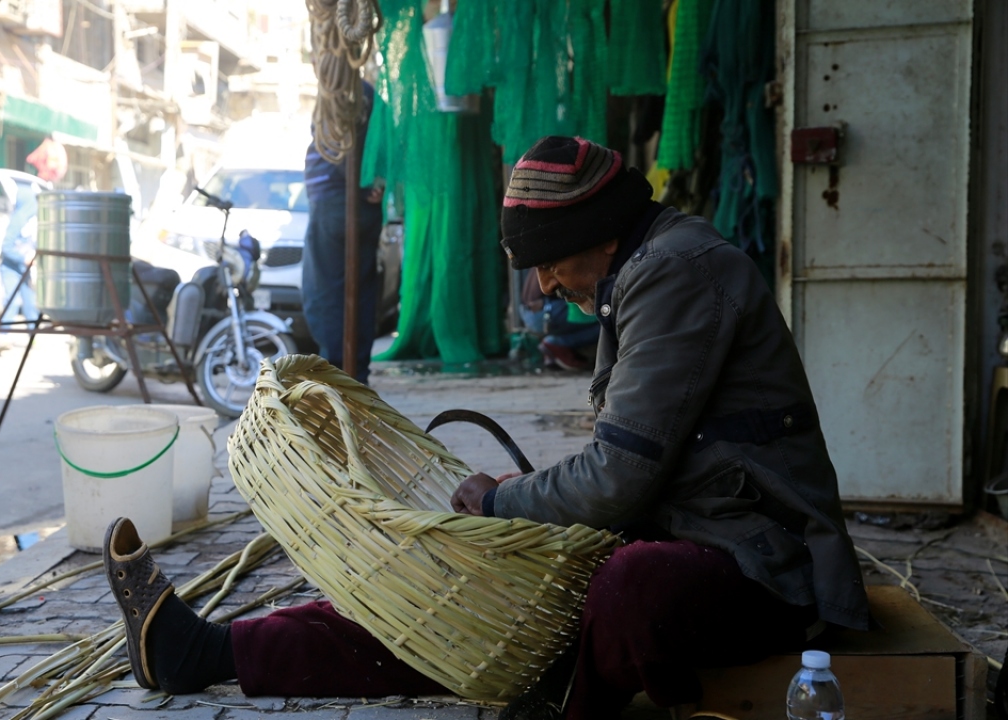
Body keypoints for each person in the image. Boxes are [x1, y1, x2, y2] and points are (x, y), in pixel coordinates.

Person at [99, 136, 869, 719]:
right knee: (453, 589)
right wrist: (504, 514)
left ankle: (561, 701)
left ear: (602, 232)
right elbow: (634, 464)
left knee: (629, 588)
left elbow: (620, 475)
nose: (544, 283)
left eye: (549, 262)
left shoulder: (674, 272)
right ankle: (207, 650)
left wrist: (503, 502)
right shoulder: (637, 270)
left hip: (765, 566)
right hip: (688, 525)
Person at [301, 80, 384, 384]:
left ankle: (337, 374)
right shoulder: (368, 95)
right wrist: (373, 183)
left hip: (338, 203)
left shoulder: (342, 92)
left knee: (326, 291)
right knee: (359, 289)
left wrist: (364, 185)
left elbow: (341, 149)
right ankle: (355, 373)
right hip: (357, 205)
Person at [0, 138, 68, 352]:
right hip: (12, 263)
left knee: (30, 301)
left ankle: (32, 336)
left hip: (28, 264)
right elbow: (6, 246)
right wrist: (23, 258)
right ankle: (3, 338)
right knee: (12, 299)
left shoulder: (37, 212)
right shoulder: (26, 203)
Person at [518, 268, 599, 371]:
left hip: (528, 311)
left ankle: (555, 347)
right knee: (606, 318)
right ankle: (558, 343)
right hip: (545, 309)